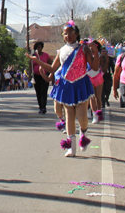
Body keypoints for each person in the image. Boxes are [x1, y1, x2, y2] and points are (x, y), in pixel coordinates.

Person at [30, 22, 99, 157]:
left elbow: (95, 67)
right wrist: (36, 61)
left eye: (70, 33)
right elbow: (52, 68)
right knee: (69, 116)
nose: (67, 35)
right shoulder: (61, 51)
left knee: (82, 117)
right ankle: (71, 147)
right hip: (66, 85)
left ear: (76, 34)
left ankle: (83, 133)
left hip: (80, 84)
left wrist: (95, 51)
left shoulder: (84, 49)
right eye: (65, 33)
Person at [31, 41, 51, 115]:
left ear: (42, 48)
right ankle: (40, 106)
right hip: (36, 75)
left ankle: (44, 107)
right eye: (37, 47)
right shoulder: (33, 56)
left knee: (44, 91)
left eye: (40, 47)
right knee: (38, 91)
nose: (39, 49)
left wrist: (50, 73)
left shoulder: (46, 55)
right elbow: (31, 66)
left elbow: (50, 64)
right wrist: (30, 76)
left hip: (44, 75)